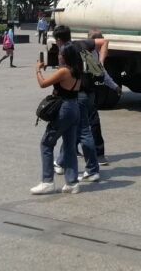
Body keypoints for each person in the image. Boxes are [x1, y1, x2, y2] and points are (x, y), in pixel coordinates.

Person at [51, 25, 105, 180]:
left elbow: (61, 77)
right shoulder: (82, 45)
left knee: (82, 131)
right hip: (89, 92)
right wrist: (102, 61)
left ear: (59, 39)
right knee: (76, 130)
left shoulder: (66, 51)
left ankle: (92, 169)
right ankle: (62, 163)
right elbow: (105, 42)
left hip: (77, 95)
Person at [31, 42, 83, 195]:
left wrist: (37, 70)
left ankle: (47, 182)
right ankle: (72, 182)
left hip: (65, 110)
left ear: (65, 56)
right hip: (75, 108)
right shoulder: (77, 70)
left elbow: (43, 84)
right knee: (69, 147)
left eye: (60, 53)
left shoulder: (64, 72)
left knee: (46, 143)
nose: (58, 56)